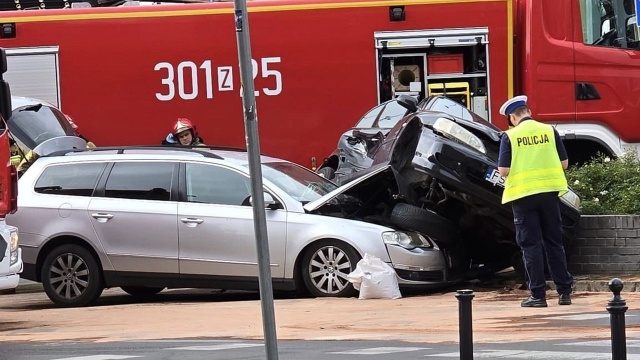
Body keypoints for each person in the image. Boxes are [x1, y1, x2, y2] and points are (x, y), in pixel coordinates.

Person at [497, 95, 574, 308]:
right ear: (528, 112)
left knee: (530, 245)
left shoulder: (510, 136)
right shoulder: (549, 131)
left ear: (513, 117)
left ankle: (538, 296)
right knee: (554, 242)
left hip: (523, 197)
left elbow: (504, 170)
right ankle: (564, 292)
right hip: (549, 194)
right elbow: (565, 164)